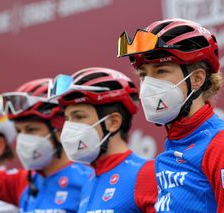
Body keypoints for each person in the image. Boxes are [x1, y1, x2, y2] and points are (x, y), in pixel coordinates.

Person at [117, 18, 224, 212]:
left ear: (197, 79)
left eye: (161, 71)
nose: (148, 85)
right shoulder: (171, 149)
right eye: (144, 75)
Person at [0, 78, 93, 212]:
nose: (23, 138)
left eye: (31, 130)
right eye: (19, 131)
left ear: (60, 132)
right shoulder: (22, 182)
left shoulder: (89, 180)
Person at [55, 67, 158, 212]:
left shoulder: (147, 173)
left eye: (79, 117)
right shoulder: (89, 183)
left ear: (113, 122)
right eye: (67, 119)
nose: (69, 127)